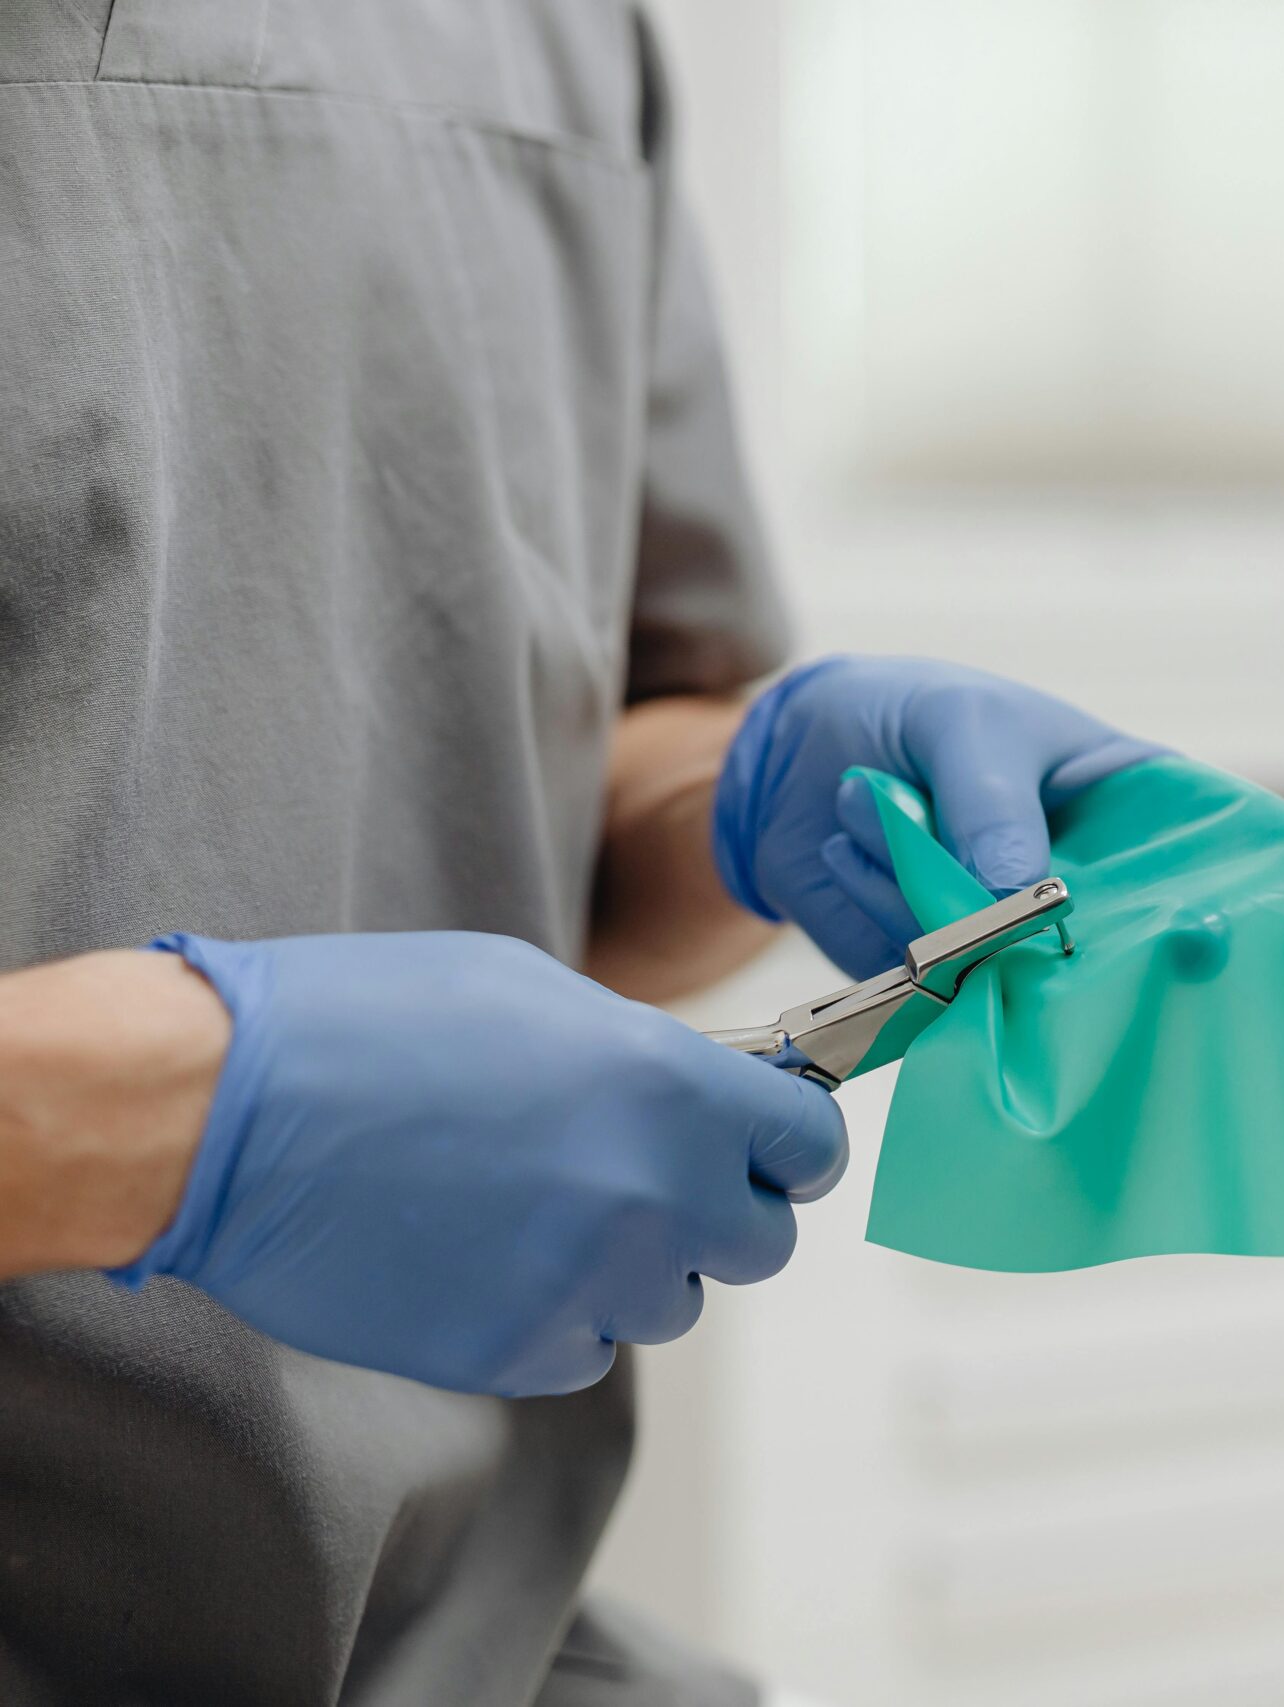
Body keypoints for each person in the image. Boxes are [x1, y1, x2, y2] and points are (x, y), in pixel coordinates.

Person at [0, 6, 1154, 1702]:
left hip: (468, 1644)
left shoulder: (563, 38)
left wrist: (743, 800)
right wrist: (173, 1120)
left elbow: (523, 791)